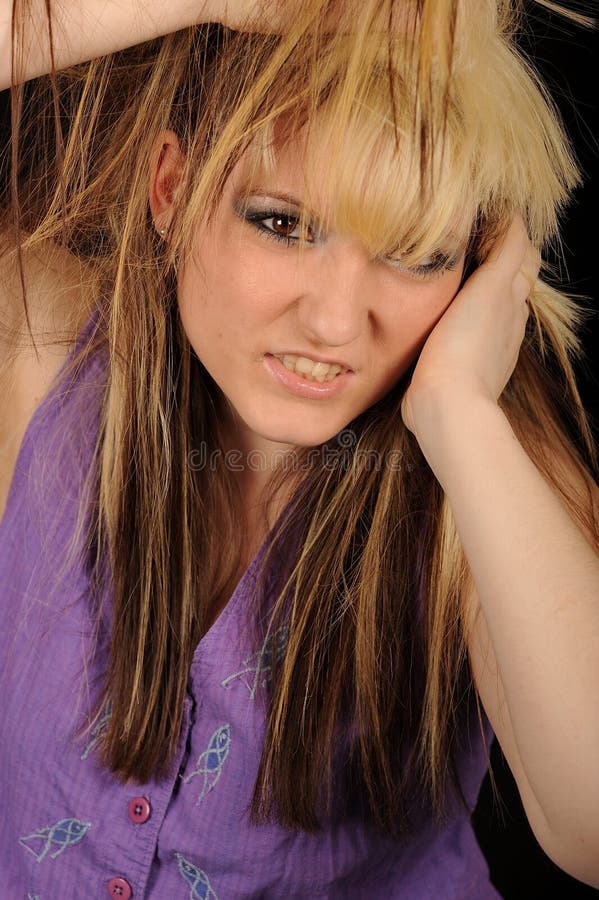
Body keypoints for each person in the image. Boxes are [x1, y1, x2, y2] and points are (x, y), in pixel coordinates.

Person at [1, 0, 598, 896]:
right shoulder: (38, 344)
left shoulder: (494, 476)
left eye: (415, 254)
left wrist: (459, 414)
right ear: (171, 189)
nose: (331, 322)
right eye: (281, 223)